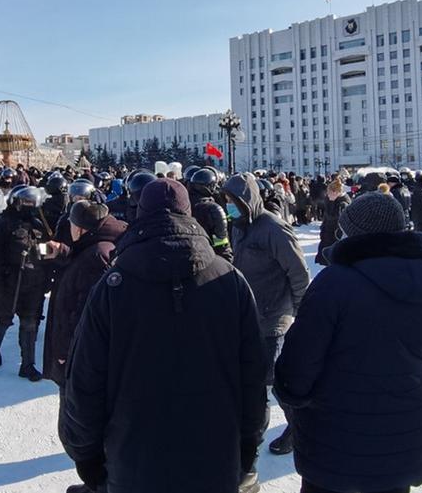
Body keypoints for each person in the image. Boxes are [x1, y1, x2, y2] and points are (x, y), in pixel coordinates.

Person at [60, 179, 268, 493]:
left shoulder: (113, 286)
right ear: (190, 215)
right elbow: (254, 380)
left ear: (140, 215)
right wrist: (247, 448)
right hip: (214, 460)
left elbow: (83, 385)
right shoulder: (230, 282)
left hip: (133, 463)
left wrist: (87, 458)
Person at [274, 192, 422, 493]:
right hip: (402, 430)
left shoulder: (335, 282)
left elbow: (299, 364)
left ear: (354, 232)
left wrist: (292, 394)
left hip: (337, 434)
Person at [223, 172, 310, 456]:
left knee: (272, 379)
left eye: (233, 201)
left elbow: (298, 274)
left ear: (247, 200)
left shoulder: (273, 229)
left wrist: (302, 313)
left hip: (274, 317)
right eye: (226, 201)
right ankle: (251, 430)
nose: (228, 206)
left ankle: (296, 427)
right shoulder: (239, 226)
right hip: (248, 314)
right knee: (253, 377)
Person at [42, 200, 126, 386]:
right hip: (83, 352)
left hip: (79, 357)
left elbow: (81, 312)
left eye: (71, 224)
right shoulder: (98, 244)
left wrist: (65, 350)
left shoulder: (96, 257)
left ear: (80, 229)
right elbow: (80, 255)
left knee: (70, 409)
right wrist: (60, 251)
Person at [0, 186, 50, 382]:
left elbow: (45, 252)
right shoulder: (0, 224)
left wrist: (46, 276)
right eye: (27, 202)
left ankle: (27, 365)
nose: (30, 206)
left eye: (33, 203)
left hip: (34, 282)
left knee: (30, 323)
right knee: (3, 319)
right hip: (10, 282)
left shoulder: (38, 224)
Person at [187, 168, 233, 262]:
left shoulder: (184, 203)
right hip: (210, 260)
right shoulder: (214, 209)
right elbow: (222, 244)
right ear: (211, 186)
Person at [315, 177, 350, 266]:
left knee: (334, 261)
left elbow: (342, 222)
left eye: (329, 193)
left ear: (336, 192)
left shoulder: (343, 203)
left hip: (335, 236)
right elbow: (327, 215)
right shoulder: (330, 199)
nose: (328, 195)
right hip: (328, 233)